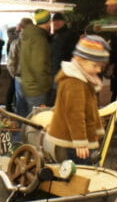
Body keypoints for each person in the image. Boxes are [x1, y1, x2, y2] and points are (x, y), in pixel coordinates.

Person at [46, 35, 111, 165]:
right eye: (95, 65)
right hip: (74, 140)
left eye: (101, 66)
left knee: (80, 172)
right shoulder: (74, 82)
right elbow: (75, 114)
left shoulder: (82, 79)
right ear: (79, 59)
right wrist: (80, 142)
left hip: (76, 138)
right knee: (80, 174)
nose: (98, 70)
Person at [17, 9, 53, 117]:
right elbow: (39, 66)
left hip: (27, 84)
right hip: (37, 89)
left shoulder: (29, 37)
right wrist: (46, 86)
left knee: (27, 122)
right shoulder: (39, 39)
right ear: (48, 21)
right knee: (37, 123)